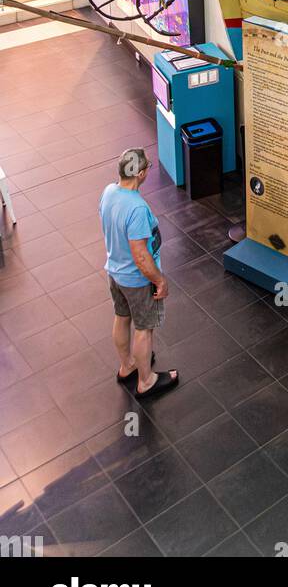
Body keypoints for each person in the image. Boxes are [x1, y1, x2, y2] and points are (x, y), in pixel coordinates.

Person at [98, 148, 178, 399]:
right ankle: (146, 381)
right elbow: (141, 256)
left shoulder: (109, 192)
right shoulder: (137, 208)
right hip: (136, 280)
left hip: (114, 272)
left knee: (122, 317)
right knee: (144, 329)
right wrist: (159, 280)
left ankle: (127, 366)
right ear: (141, 174)